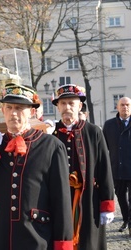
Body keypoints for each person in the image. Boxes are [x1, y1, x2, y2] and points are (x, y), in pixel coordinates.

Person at [0, 83, 73, 249]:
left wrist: (63, 243)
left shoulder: (51, 146)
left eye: (19, 108)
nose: (13, 113)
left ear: (32, 112)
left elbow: (61, 199)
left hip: (36, 236)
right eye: (9, 107)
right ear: (2, 110)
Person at [52, 84, 115, 249]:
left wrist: (107, 203)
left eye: (71, 103)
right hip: (58, 198)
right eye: (63, 103)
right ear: (58, 106)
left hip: (88, 199)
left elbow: (104, 168)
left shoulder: (94, 132)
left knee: (88, 242)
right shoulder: (51, 133)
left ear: (79, 105)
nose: (67, 107)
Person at [103, 96, 131, 235]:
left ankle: (130, 223)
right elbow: (103, 148)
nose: (125, 107)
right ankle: (126, 219)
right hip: (116, 169)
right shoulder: (109, 125)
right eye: (122, 105)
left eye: (127, 105)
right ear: (117, 107)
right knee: (121, 197)